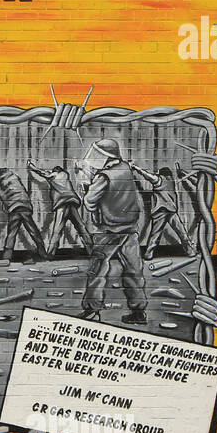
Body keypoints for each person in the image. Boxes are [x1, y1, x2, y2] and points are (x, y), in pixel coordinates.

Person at [78, 139, 148, 325]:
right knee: (134, 270)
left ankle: (92, 310)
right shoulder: (125, 169)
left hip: (108, 230)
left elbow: (89, 201)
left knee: (98, 270)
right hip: (130, 228)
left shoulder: (104, 176)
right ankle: (138, 311)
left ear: (105, 156)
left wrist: (86, 182)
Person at [0, 166, 48, 262]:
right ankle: (43, 253)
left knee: (12, 233)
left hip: (14, 208)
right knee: (33, 230)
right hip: (25, 206)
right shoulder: (15, 177)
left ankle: (7, 256)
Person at [29, 162, 94, 255]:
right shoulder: (65, 175)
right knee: (81, 227)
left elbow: (42, 173)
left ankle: (50, 253)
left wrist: (32, 167)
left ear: (55, 171)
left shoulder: (53, 176)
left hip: (62, 204)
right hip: (72, 202)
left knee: (57, 229)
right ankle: (92, 250)